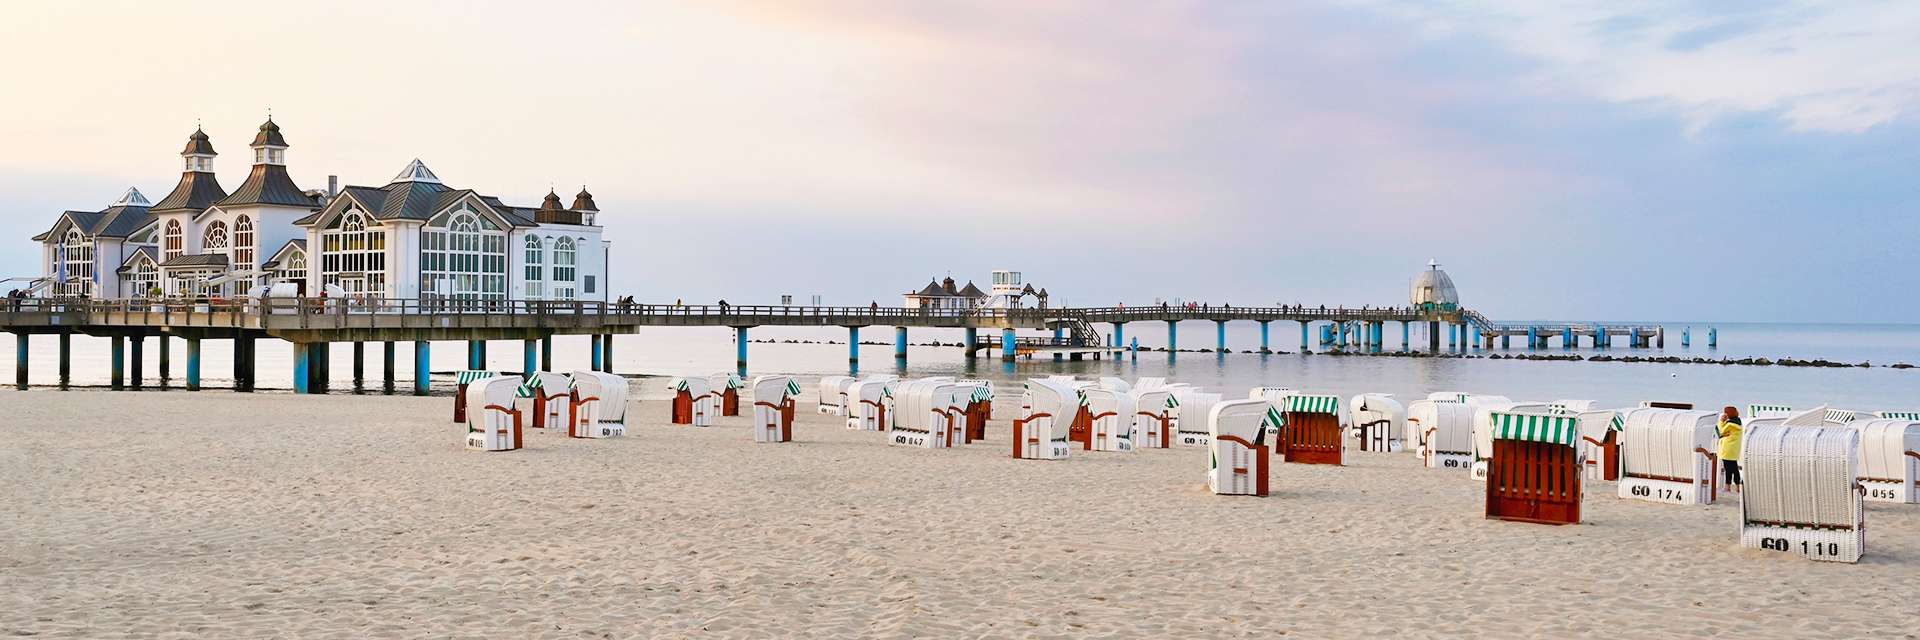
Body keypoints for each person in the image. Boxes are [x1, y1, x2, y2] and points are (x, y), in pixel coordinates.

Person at [1718, 406, 1743, 491]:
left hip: (1727, 448)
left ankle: (1727, 487)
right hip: (1734, 449)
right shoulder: (1738, 423)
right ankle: (1738, 486)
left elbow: (1721, 431)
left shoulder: (1729, 424)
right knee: (1734, 468)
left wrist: (1722, 421)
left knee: (1728, 469)